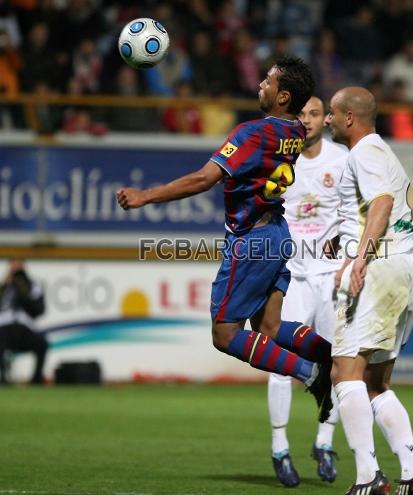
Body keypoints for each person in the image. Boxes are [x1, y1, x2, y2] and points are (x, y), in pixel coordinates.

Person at [116, 56, 333, 422]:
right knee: (271, 328)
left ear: (283, 97)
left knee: (224, 334)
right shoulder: (295, 131)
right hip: (278, 233)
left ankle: (314, 376)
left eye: (268, 81)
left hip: (252, 239)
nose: (260, 84)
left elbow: (204, 179)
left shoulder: (252, 133)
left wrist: (145, 196)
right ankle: (337, 360)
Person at [324, 87, 413, 495]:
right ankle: (412, 474)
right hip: (407, 267)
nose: (330, 121)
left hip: (381, 269)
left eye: (333, 114)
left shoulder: (363, 152)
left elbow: (382, 203)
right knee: (373, 383)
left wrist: (360, 259)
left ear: (349, 117)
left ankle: (368, 478)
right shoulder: (384, 151)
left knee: (344, 371)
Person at [268, 96, 348, 487]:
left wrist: (351, 256)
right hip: (292, 279)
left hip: (332, 279)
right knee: (279, 363)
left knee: (338, 365)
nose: (307, 120)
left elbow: (358, 216)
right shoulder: (279, 160)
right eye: (300, 114)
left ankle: (324, 441)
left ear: (326, 118)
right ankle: (280, 447)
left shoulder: (342, 160)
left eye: (314, 113)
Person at [0, 259, 48, 385]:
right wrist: (5, 286)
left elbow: (39, 310)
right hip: (4, 325)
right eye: (12, 263)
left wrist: (23, 291)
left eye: (18, 263)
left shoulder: (32, 285)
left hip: (23, 326)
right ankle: (3, 377)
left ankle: (36, 378)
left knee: (42, 343)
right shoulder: (4, 287)